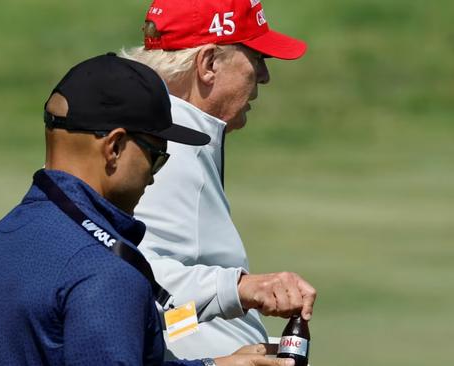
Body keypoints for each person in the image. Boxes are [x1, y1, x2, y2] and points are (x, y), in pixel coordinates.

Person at [0, 54, 295, 366]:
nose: (152, 175)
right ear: (115, 148)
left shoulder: (0, 240)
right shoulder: (105, 275)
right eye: (155, 155)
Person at [121, 0, 317, 359]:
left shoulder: (163, 134)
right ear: (209, 64)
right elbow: (129, 288)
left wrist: (229, 351)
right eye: (257, 58)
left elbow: (162, 316)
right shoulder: (165, 150)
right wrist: (239, 297)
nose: (264, 76)